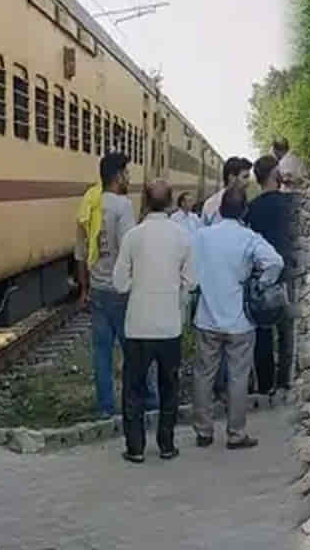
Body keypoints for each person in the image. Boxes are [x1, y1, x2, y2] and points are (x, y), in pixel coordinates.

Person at [191, 185, 283, 449]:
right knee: (238, 376)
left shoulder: (202, 236)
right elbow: (275, 261)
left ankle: (204, 431)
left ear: (220, 210)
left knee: (203, 375)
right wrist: (260, 283)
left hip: (207, 318)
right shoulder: (249, 238)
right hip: (240, 321)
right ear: (244, 210)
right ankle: (236, 433)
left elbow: (190, 266)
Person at [111, 180, 195, 462]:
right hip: (170, 325)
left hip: (138, 326)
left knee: (133, 388)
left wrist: (140, 281)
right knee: (169, 387)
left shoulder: (133, 237)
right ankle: (167, 445)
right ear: (171, 202)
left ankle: (135, 448)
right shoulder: (182, 236)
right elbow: (192, 281)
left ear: (144, 203)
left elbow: (120, 283)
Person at [74, 153, 156, 418]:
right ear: (118, 175)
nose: (129, 178)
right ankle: (143, 401)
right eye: (127, 173)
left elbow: (80, 253)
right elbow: (129, 250)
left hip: (97, 290)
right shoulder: (122, 207)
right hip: (121, 292)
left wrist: (84, 289)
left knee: (102, 354)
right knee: (135, 350)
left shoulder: (88, 204)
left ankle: (105, 408)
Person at [245, 155, 298, 396]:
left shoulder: (252, 208)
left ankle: (265, 385)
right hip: (286, 272)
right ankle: (284, 381)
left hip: (262, 275)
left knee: (263, 329)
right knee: (286, 330)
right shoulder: (289, 203)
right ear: (274, 174)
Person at [201, 157, 252, 225]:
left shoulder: (246, 203)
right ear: (231, 177)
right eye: (245, 177)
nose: (248, 182)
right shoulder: (212, 204)